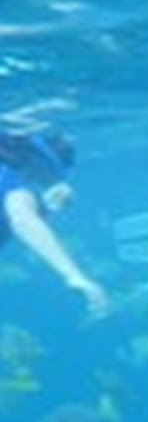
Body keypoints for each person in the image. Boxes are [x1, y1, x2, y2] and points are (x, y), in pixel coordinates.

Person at [0, 128, 109, 317]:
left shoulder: (13, 175)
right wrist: (73, 275)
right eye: (46, 172)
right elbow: (23, 219)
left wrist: (46, 208)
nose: (42, 180)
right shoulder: (12, 180)